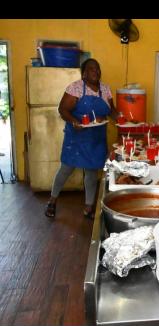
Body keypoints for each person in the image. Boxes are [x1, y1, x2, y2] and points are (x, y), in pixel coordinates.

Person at [45, 58, 118, 219]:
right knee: (66, 170)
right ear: (84, 73)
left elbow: (111, 111)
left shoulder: (105, 89)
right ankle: (52, 200)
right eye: (92, 69)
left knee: (91, 173)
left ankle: (88, 207)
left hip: (96, 138)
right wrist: (74, 121)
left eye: (98, 69)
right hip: (77, 137)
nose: (96, 72)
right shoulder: (76, 88)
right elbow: (63, 109)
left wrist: (122, 119)